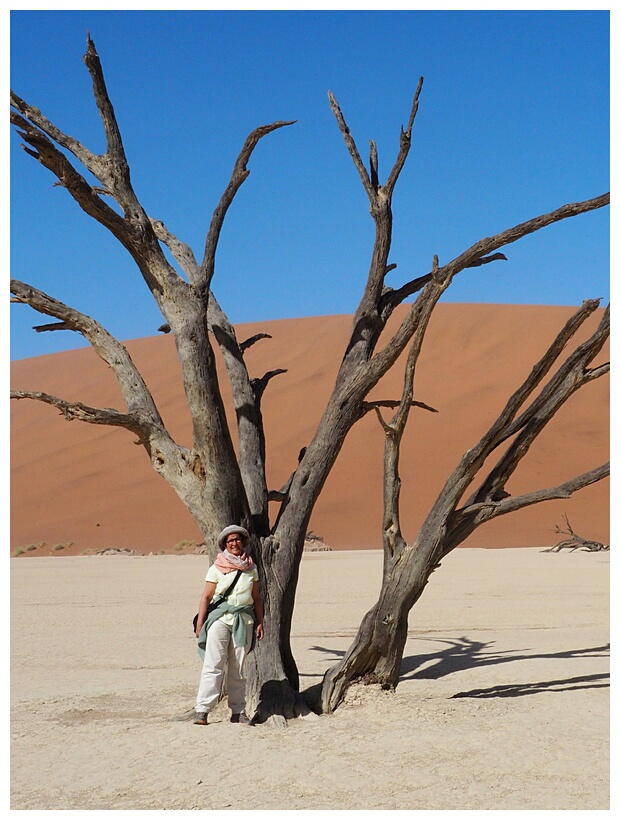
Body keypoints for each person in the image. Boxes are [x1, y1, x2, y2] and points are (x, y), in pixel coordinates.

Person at [193, 525, 264, 726]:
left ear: (243, 542)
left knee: (238, 668)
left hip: (244, 621)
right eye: (230, 541)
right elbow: (206, 597)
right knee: (213, 664)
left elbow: (256, 598)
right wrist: (200, 624)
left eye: (237, 539)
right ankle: (202, 710)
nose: (234, 543)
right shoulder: (216, 568)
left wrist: (260, 622)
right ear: (225, 544)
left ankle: (238, 711)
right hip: (220, 619)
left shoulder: (252, 568)